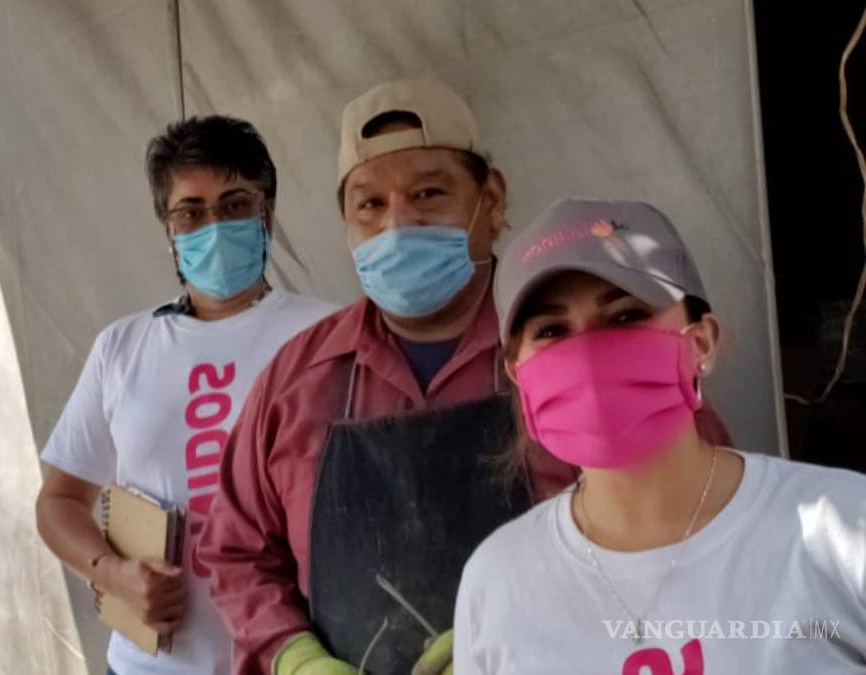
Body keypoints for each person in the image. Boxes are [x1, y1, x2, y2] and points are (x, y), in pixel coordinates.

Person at [196, 79, 579, 675]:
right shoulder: (298, 379)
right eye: (370, 205)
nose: (398, 224)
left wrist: (530, 635)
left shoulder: (574, 349)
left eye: (428, 193)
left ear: (492, 200)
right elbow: (236, 550)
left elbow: (677, 521)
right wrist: (294, 657)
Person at [454, 197, 866, 673]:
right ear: (518, 374)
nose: (588, 353)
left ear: (701, 342)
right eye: (551, 330)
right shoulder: (498, 581)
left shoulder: (844, 530)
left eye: (626, 316)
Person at [35, 115, 337, 675]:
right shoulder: (121, 347)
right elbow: (58, 501)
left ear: (267, 213)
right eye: (191, 212)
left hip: (295, 663)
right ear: (168, 231)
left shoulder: (328, 336)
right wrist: (112, 574)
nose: (214, 225)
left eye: (235, 204)